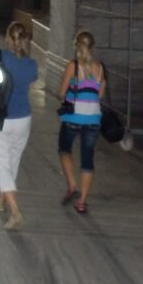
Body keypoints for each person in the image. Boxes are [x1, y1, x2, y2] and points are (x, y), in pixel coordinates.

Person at [0, 21, 38, 230]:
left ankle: (15, 212)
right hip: (23, 118)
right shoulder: (32, 65)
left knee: (2, 164)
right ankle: (1, 201)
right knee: (13, 161)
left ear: (9, 38)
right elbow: (29, 83)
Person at [57, 30, 106, 214]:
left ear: (76, 46)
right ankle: (82, 202)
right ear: (92, 46)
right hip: (93, 118)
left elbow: (62, 92)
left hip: (73, 117)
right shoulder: (100, 68)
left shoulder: (73, 66)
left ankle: (72, 185)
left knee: (64, 149)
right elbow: (100, 95)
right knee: (87, 158)